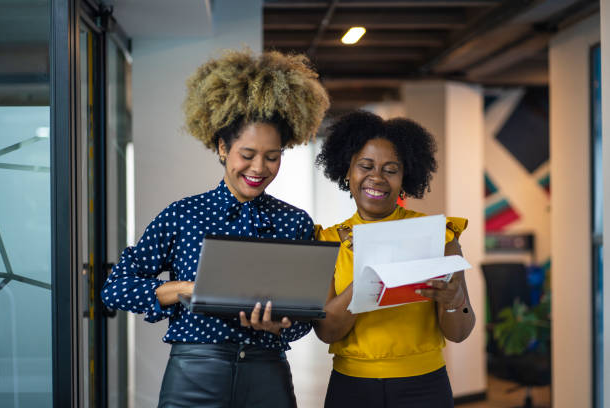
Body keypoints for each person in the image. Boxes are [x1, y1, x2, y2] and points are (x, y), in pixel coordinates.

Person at [101, 50, 329, 408]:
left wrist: (280, 325)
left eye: (273, 156)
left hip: (267, 373)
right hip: (194, 373)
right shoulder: (183, 215)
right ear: (223, 148)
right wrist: (182, 290)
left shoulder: (295, 222)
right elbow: (115, 289)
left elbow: (307, 316)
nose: (259, 167)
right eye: (247, 154)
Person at [313, 110, 475, 408]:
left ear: (405, 177)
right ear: (347, 171)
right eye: (365, 166)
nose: (376, 177)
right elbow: (326, 331)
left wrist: (455, 301)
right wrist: (369, 274)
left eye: (391, 169)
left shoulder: (439, 235)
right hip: (352, 387)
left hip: (425, 386)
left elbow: (460, 333)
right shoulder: (328, 241)